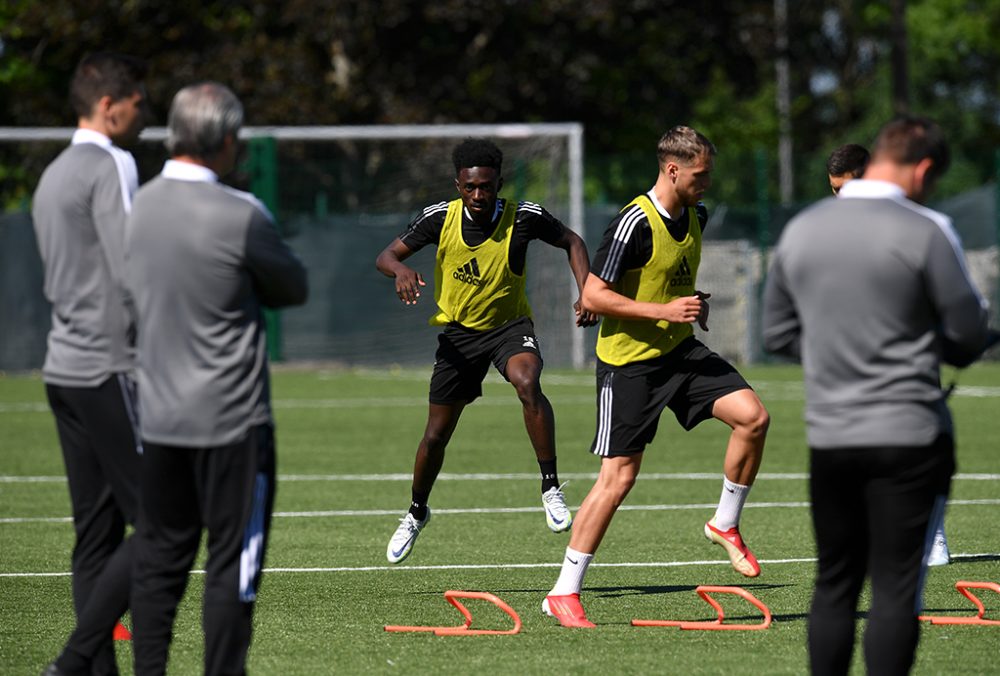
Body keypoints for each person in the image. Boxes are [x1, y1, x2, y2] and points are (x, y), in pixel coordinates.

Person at [762, 116, 990, 676]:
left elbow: (775, 334)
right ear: (924, 168)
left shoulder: (803, 229)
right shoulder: (927, 228)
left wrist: (837, 351)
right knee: (895, 588)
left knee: (834, 584)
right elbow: (965, 339)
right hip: (911, 435)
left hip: (833, 435)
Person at [542, 126, 770, 628]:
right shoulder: (632, 222)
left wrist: (692, 305)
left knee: (753, 417)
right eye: (700, 175)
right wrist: (663, 309)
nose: (706, 183)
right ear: (672, 170)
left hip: (679, 352)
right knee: (619, 478)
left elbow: (671, 279)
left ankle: (724, 524)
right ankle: (564, 591)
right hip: (629, 364)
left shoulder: (697, 214)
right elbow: (594, 297)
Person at [125, 82, 308, 676]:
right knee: (233, 563)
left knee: (158, 559)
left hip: (156, 418)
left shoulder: (137, 206)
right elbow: (292, 287)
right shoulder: (242, 213)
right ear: (227, 139)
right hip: (233, 423)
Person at [375, 138, 597, 564]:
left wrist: (587, 291)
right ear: (458, 184)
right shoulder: (440, 218)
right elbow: (386, 256)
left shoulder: (524, 216)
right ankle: (417, 511)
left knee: (527, 380)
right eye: (470, 186)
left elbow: (573, 241)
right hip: (459, 337)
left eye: (487, 187)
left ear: (499, 183)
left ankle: (550, 487)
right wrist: (401, 269)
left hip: (509, 329)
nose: (479, 195)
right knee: (436, 436)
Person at [32, 52, 148, 676]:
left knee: (96, 538)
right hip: (108, 368)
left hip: (63, 370)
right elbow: (131, 267)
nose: (144, 114)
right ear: (110, 104)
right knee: (164, 522)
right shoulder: (112, 162)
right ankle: (75, 660)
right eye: (139, 102)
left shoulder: (52, 174)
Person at [828, 142, 950, 567]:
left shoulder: (911, 223)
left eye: (846, 189)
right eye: (834, 191)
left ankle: (933, 537)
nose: (840, 200)